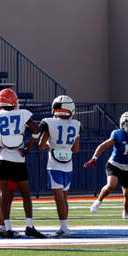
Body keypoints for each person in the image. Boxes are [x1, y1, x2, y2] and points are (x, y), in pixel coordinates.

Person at [0, 88, 44, 238]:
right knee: (25, 194)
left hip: (2, 158)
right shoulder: (23, 113)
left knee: (3, 195)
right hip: (18, 158)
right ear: (14, 101)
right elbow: (36, 129)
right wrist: (29, 147)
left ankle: (6, 227)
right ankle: (29, 225)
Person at [87, 110, 128, 221]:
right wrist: (94, 158)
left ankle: (126, 214)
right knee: (111, 185)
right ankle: (98, 201)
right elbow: (103, 145)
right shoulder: (118, 134)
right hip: (114, 164)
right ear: (123, 125)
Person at [37, 94, 81, 236]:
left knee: (59, 198)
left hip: (54, 164)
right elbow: (76, 149)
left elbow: (41, 145)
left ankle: (64, 228)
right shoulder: (76, 124)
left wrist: (51, 144)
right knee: (64, 197)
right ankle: (65, 226)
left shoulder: (50, 123)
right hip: (69, 164)